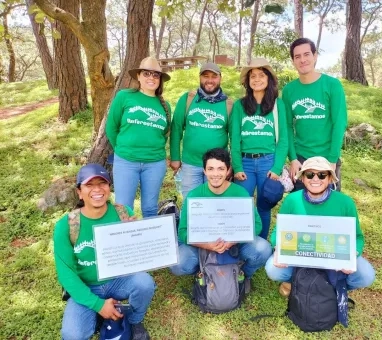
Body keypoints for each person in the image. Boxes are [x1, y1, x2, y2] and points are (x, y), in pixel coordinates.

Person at [54, 164, 155, 340]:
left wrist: (134, 236)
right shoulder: (66, 225)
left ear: (109, 188)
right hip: (87, 285)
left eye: (102, 183)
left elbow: (136, 257)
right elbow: (66, 275)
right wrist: (98, 305)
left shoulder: (123, 213)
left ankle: (135, 320)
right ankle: (97, 313)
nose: (97, 189)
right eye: (89, 185)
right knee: (72, 335)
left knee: (144, 283)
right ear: (79, 192)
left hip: (118, 279)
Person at [264, 156, 375, 296]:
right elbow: (277, 231)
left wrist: (353, 254)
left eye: (322, 175)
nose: (315, 179)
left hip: (333, 256)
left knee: (366, 275)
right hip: (300, 254)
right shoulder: (292, 200)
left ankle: (333, 287)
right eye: (310, 174)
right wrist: (278, 247)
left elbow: (357, 237)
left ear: (329, 179)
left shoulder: (346, 203)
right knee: (272, 269)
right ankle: (296, 282)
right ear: (302, 179)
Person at [170, 148, 272, 289]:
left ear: (228, 170)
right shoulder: (194, 195)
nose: (215, 174)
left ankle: (243, 273)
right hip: (203, 246)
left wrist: (233, 240)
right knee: (178, 263)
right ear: (204, 171)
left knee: (263, 249)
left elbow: (257, 224)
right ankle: (203, 272)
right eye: (210, 169)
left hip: (234, 245)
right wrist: (206, 244)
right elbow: (183, 231)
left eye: (220, 169)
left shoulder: (240, 193)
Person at [230, 58, 288, 239]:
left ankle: (261, 243)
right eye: (252, 76)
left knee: (264, 205)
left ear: (269, 78)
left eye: (261, 75)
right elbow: (235, 138)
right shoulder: (240, 105)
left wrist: (277, 168)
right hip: (245, 163)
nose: (256, 79)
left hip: (268, 162)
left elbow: (283, 140)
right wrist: (237, 167)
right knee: (242, 205)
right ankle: (242, 242)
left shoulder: (278, 105)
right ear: (247, 81)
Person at [106, 57, 171, 217]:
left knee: (150, 208)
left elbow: (164, 133)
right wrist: (123, 149)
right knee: (124, 208)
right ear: (138, 76)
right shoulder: (124, 96)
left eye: (156, 75)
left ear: (160, 80)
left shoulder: (165, 106)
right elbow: (111, 127)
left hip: (155, 163)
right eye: (147, 74)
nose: (151, 78)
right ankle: (124, 241)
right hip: (126, 161)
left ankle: (148, 242)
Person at [283, 38, 347, 191]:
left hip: (326, 157)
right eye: (297, 57)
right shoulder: (289, 90)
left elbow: (339, 123)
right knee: (301, 208)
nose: (302, 60)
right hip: (301, 158)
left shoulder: (332, 85)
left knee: (328, 209)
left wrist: (332, 160)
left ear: (315, 56)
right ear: (293, 61)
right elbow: (286, 126)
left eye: (306, 54)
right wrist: (292, 158)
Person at [170, 62, 232, 199]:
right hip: (190, 164)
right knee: (191, 204)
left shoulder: (228, 104)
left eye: (214, 77)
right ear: (200, 77)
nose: (209, 80)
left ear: (220, 78)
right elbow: (176, 129)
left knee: (215, 206)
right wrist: (175, 157)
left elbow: (234, 137)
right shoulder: (188, 99)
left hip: (217, 167)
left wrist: (231, 164)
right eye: (205, 76)